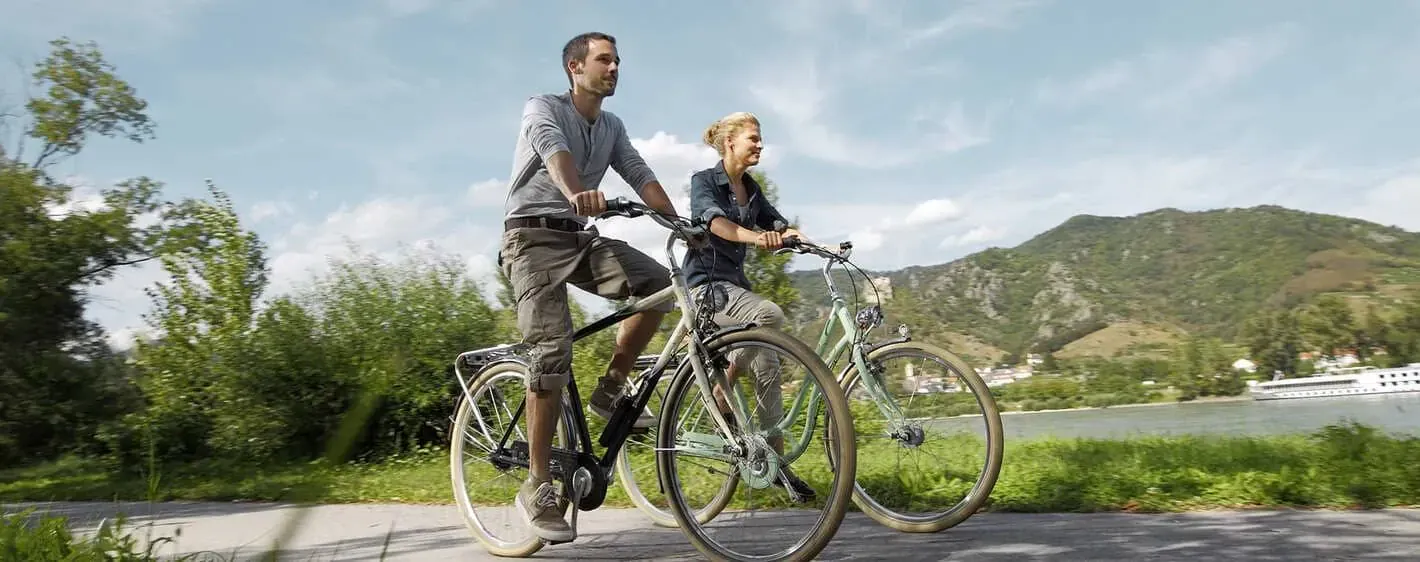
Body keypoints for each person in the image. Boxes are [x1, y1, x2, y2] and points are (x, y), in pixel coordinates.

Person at [499, 31, 680, 542]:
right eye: (605, 60)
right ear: (575, 68)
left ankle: (610, 388)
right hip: (530, 240)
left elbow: (639, 174)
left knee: (662, 287)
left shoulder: (613, 126)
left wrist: (681, 225)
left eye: (618, 60)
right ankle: (538, 486)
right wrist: (578, 191)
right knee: (551, 352)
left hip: (580, 239)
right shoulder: (544, 108)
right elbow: (554, 154)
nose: (615, 67)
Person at [681, 111, 817, 501]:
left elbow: (776, 223)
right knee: (769, 314)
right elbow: (716, 225)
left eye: (760, 139)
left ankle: (776, 466)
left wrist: (798, 237)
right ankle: (723, 393)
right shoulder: (704, 181)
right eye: (753, 138)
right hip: (706, 289)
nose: (759, 145)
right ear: (730, 142)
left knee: (769, 366)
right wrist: (757, 239)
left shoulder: (752, 189)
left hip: (736, 289)